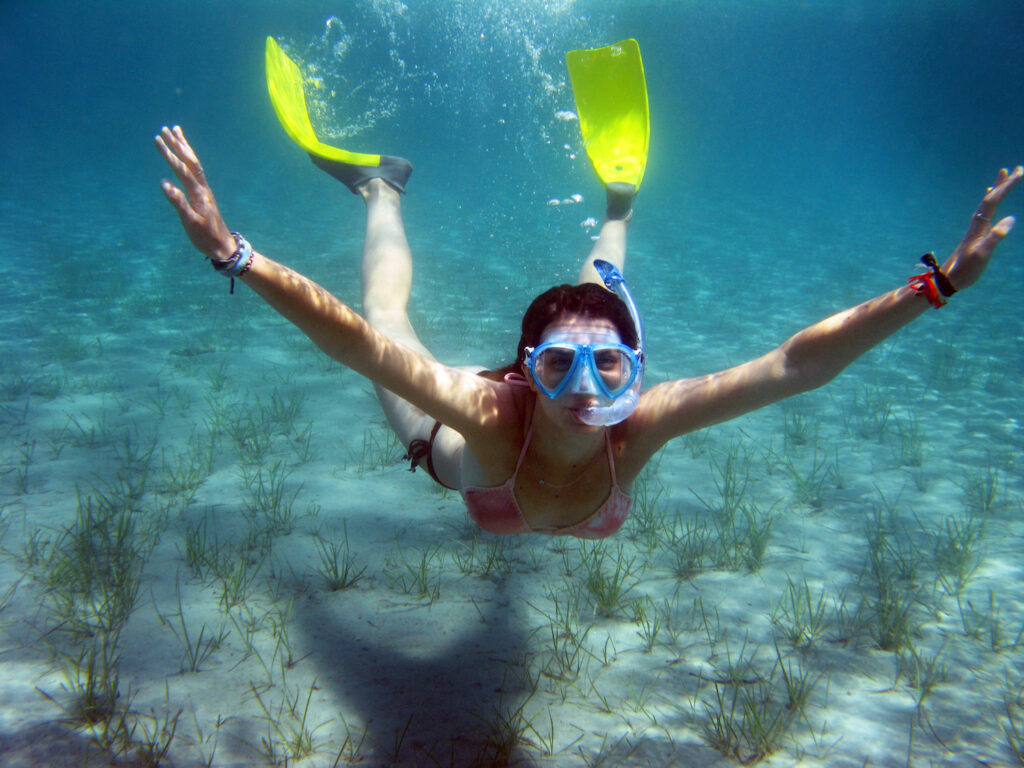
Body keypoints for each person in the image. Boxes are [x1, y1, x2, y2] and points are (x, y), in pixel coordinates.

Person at [155, 123, 1020, 539]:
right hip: (442, 443)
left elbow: (794, 364)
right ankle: (382, 188)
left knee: (598, 288)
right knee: (390, 320)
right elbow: (355, 342)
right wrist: (238, 255)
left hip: (560, 399)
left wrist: (934, 287)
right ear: (527, 371)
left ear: (634, 373)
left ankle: (616, 210)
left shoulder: (643, 417)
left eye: (608, 367)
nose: (586, 390)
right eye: (560, 365)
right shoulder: (490, 412)